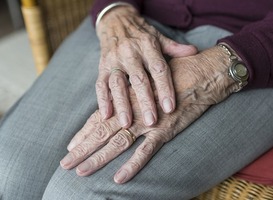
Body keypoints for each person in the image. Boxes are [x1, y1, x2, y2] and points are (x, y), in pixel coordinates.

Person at [0, 0, 273, 199]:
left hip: (252, 44)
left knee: (77, 194)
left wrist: (222, 67)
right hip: (135, 14)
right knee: (7, 171)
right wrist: (114, 10)